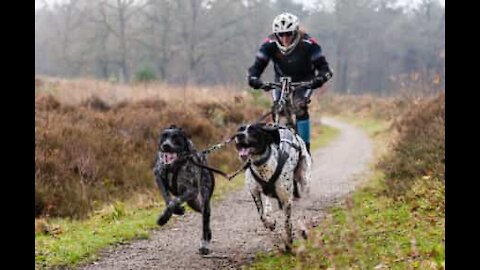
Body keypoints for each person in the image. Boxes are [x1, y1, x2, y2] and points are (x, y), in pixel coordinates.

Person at [247, 12, 333, 153]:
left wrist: (319, 80)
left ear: (296, 31)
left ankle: (305, 149)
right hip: (281, 80)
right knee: (277, 109)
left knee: (300, 107)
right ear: (275, 34)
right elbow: (256, 67)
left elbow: (326, 69)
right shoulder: (269, 44)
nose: (284, 38)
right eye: (280, 34)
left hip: (305, 80)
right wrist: (254, 79)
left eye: (288, 33)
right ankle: (278, 148)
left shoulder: (309, 44)